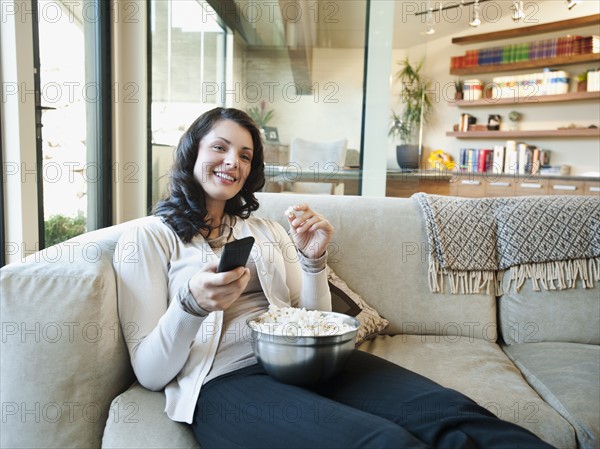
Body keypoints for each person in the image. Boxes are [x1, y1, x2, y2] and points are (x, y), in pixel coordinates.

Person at [113, 107, 556, 449]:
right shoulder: (148, 238)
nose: (233, 162)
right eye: (220, 147)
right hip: (225, 384)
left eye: (245, 155)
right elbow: (151, 372)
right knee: (386, 443)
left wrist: (313, 261)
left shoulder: (265, 230)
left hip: (305, 360)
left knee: (455, 416)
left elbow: (316, 322)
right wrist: (191, 305)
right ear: (192, 151)